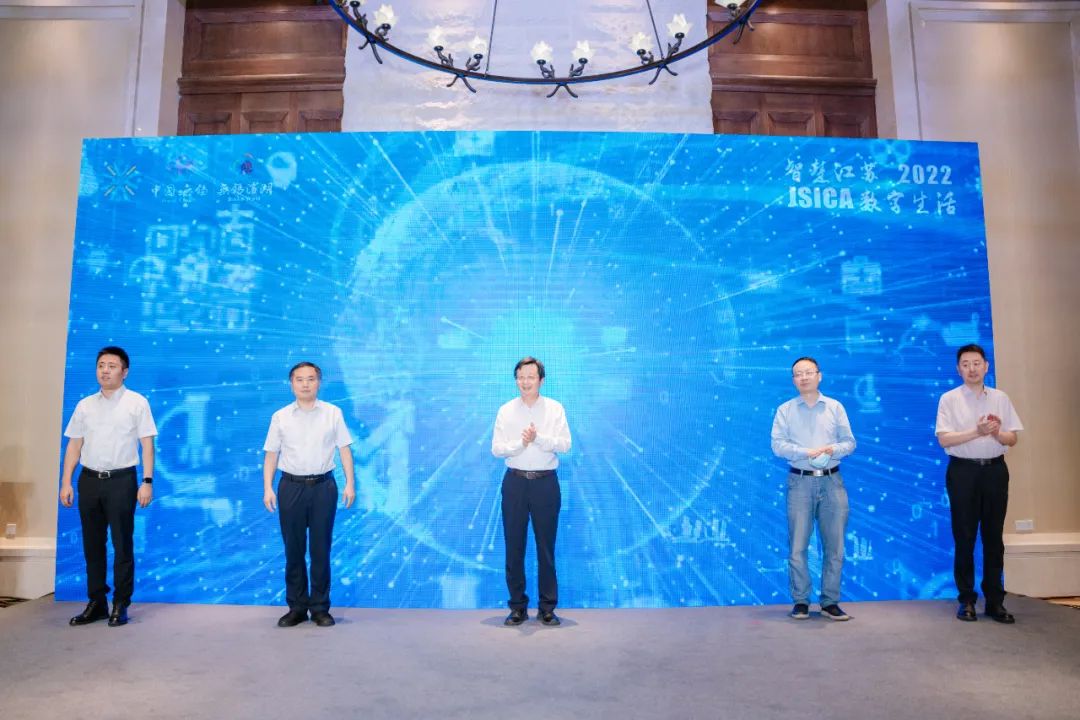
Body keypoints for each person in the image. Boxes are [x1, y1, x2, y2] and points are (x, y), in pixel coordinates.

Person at [59, 346, 157, 627]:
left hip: (121, 481)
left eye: (112, 366)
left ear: (124, 372)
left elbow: (147, 445)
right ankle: (96, 602)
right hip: (89, 480)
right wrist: (66, 481)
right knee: (92, 544)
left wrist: (146, 482)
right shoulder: (85, 405)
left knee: (122, 543)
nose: (105, 370)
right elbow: (74, 445)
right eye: (101, 365)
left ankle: (120, 603)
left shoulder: (137, 402)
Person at [263, 361, 356, 627]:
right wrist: (267, 487)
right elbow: (271, 454)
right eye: (300, 379)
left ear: (319, 382)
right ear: (291, 384)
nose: (305, 384)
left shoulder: (333, 413)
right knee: (293, 550)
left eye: (311, 379)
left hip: (323, 488)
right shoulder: (280, 416)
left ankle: (320, 608)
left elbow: (344, 449)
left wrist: (350, 483)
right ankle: (296, 607)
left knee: (320, 549)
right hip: (290, 487)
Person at [935, 343, 1022, 623]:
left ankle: (995, 601)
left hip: (995, 470)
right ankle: (967, 600)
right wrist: (977, 431)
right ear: (958, 369)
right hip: (963, 472)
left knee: (993, 537)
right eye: (965, 364)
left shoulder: (1000, 398)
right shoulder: (949, 399)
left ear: (986, 366)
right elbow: (944, 439)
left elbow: (1012, 438)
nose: (971, 369)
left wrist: (996, 433)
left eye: (976, 363)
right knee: (965, 536)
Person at [771, 356, 856, 621]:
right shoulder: (785, 410)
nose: (804, 377)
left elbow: (849, 442)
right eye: (798, 374)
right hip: (799, 481)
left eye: (809, 372)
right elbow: (778, 445)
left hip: (832, 480)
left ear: (819, 375)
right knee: (798, 546)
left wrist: (832, 449)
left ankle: (830, 601)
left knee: (835, 546)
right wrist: (805, 452)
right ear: (793, 380)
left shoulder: (835, 407)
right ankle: (801, 601)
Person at [491, 357, 571, 626]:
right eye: (521, 377)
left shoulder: (555, 409)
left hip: (545, 483)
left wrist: (539, 439)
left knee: (545, 547)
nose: (525, 382)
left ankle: (547, 607)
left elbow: (565, 444)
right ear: (516, 380)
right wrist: (520, 444)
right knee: (514, 546)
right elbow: (497, 448)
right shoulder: (505, 411)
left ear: (541, 380)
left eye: (531, 377)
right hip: (515, 483)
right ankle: (517, 607)